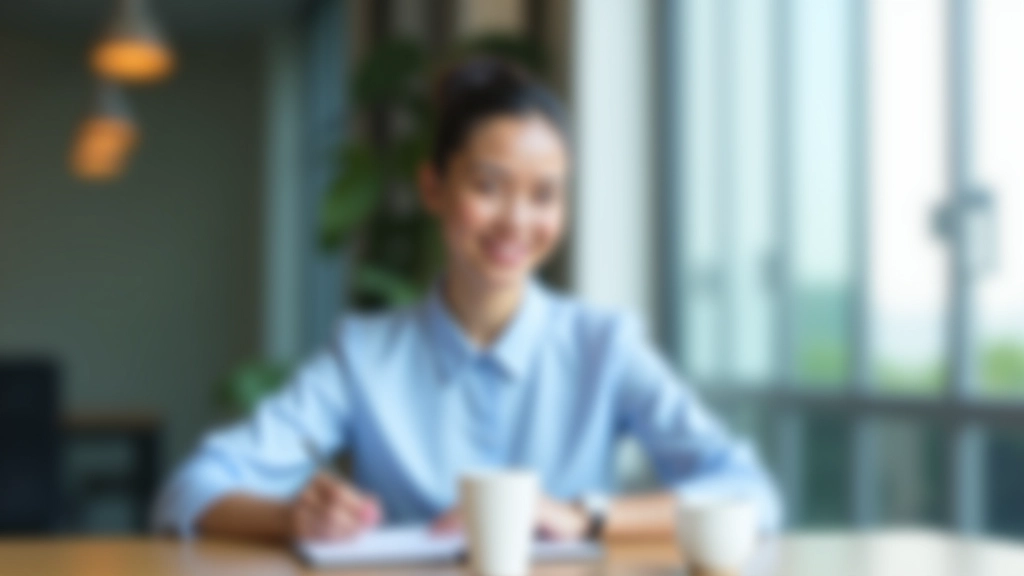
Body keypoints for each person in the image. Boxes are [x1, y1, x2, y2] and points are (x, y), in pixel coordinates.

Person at [153, 58, 781, 543]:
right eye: (488, 186)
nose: (517, 221)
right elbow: (190, 490)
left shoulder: (605, 345)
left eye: (545, 195)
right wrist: (293, 515)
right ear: (433, 186)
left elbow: (751, 494)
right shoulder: (364, 354)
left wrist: (580, 516)